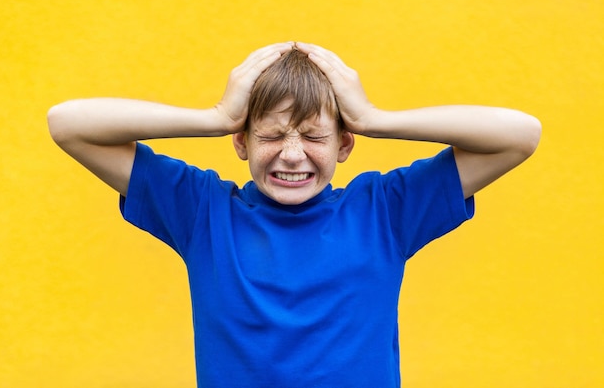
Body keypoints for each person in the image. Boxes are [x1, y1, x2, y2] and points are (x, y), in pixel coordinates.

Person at [48, 41, 541, 388]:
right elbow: (68, 124)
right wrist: (215, 117)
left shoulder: (385, 211)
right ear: (241, 143)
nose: (291, 154)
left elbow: (520, 135)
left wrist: (376, 119)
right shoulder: (202, 211)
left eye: (312, 136)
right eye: (270, 136)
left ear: (345, 144)